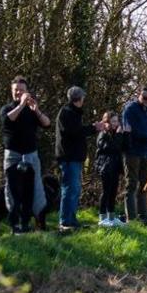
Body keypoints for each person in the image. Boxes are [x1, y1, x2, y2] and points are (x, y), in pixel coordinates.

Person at [1, 76, 52, 234]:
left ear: (27, 91)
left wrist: (36, 110)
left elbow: (47, 123)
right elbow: (8, 121)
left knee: (32, 189)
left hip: (30, 154)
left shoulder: (31, 111)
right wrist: (22, 104)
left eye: (21, 90)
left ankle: (28, 221)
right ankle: (14, 224)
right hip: (13, 154)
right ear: (12, 91)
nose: (18, 92)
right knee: (13, 190)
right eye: (16, 90)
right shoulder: (6, 108)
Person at [56, 86, 108, 230]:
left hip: (75, 158)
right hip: (69, 157)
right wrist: (94, 127)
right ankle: (65, 221)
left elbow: (77, 131)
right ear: (79, 99)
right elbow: (74, 132)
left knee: (75, 190)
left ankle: (71, 219)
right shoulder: (66, 113)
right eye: (83, 98)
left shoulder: (74, 113)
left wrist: (92, 127)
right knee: (69, 189)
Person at [121, 84, 147, 224]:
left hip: (145, 151)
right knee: (131, 184)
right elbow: (131, 130)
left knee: (145, 185)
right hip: (132, 151)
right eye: (145, 98)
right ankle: (131, 219)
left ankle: (144, 217)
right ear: (139, 94)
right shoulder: (130, 109)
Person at [95, 110, 128, 228]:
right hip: (105, 167)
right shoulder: (103, 134)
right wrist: (119, 135)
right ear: (106, 122)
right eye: (113, 121)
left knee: (113, 191)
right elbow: (111, 147)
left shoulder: (116, 133)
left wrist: (125, 134)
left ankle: (111, 218)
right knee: (106, 191)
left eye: (117, 121)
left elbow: (123, 147)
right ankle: (102, 218)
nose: (116, 123)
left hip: (114, 167)